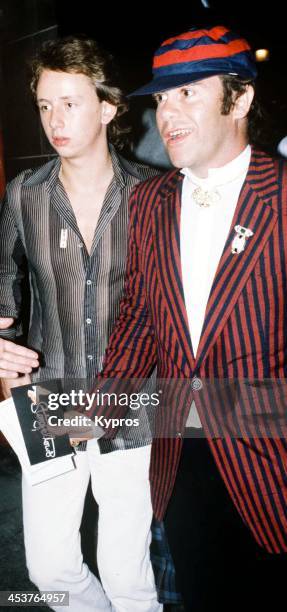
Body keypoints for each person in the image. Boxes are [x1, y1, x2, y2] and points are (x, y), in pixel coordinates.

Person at [84, 25, 287, 612]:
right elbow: (141, 320)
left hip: (271, 455)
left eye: (187, 93)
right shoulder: (148, 202)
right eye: (161, 98)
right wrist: (99, 407)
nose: (166, 114)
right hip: (181, 453)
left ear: (241, 99)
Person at [0, 36, 162, 612]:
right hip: (48, 398)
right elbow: (3, 293)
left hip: (132, 400)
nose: (54, 120)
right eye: (45, 105)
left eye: (70, 103)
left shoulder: (153, 196)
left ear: (109, 108)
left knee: (127, 574)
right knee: (50, 570)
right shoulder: (24, 194)